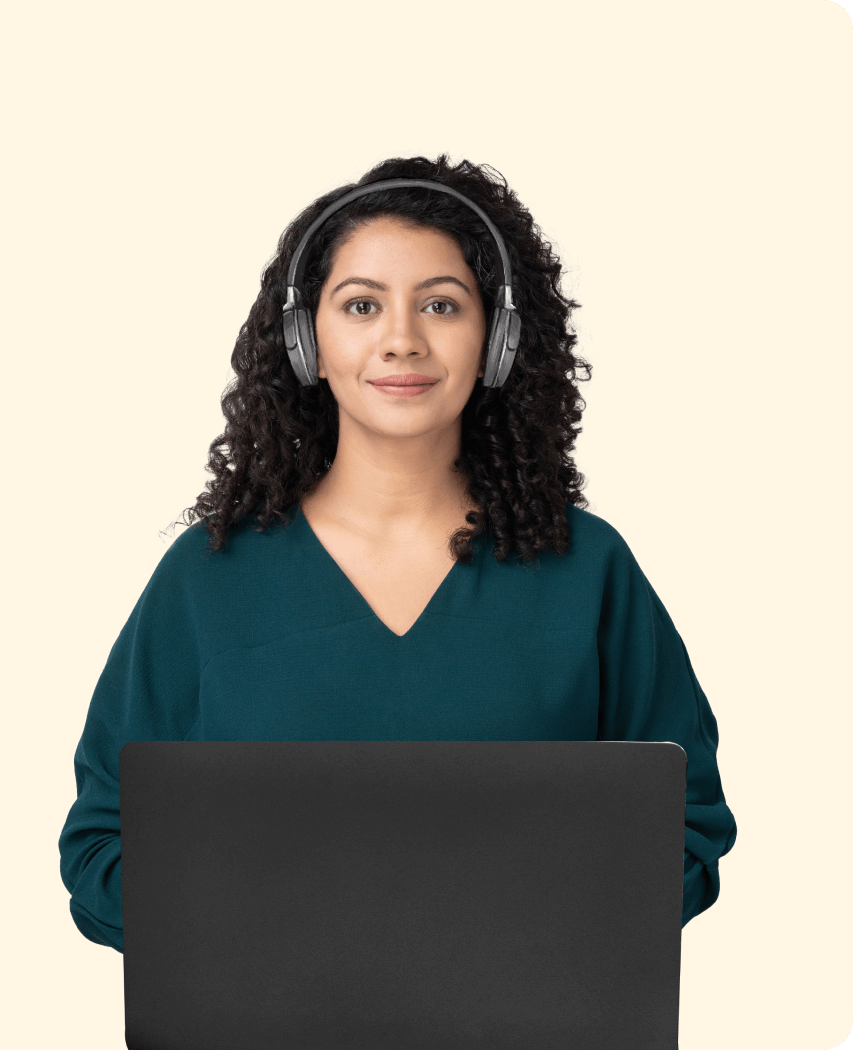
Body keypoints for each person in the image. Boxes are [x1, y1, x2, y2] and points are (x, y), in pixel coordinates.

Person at [58, 153, 737, 954]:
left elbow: (684, 833)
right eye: (361, 306)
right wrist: (287, 919)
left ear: (500, 338)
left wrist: (502, 920)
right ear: (305, 338)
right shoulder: (207, 580)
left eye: (442, 305)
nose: (402, 340)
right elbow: (103, 851)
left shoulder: (588, 571)